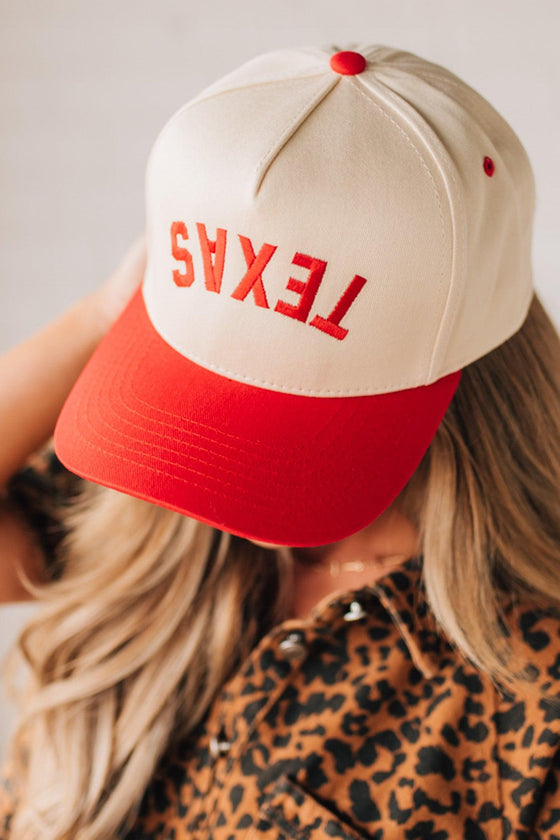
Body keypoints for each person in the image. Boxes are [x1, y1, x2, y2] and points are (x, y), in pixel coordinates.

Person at [1, 42, 560, 840]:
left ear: (471, 356)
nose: (220, 475)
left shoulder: (529, 709)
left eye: (288, 407)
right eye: (207, 384)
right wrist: (104, 314)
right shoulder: (150, 524)